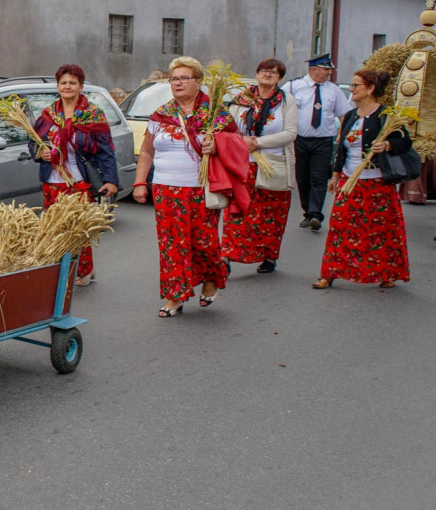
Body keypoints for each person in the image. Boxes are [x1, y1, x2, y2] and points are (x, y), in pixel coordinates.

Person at [132, 56, 235, 317]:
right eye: (174, 79)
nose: (177, 83)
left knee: (204, 242)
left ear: (198, 82)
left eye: (184, 78)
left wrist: (217, 145)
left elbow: (237, 144)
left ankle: (211, 279)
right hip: (165, 190)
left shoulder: (215, 113)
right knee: (172, 244)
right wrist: (140, 182)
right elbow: (146, 151)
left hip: (201, 189)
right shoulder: (161, 114)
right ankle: (175, 295)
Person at [313, 69, 411, 289]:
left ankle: (387, 272)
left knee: (381, 231)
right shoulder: (350, 115)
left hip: (377, 183)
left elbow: (405, 142)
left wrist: (387, 145)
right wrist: (335, 176)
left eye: (355, 85)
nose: (351, 89)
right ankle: (330, 272)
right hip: (350, 181)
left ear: (370, 89)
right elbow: (341, 150)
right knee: (340, 227)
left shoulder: (386, 115)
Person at [30, 63, 118, 285]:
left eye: (72, 83)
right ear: (57, 86)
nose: (67, 87)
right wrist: (41, 152)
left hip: (78, 182)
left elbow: (106, 149)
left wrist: (111, 180)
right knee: (54, 229)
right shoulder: (48, 114)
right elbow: (33, 142)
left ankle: (84, 270)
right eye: (63, 83)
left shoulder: (93, 115)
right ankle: (60, 271)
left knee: (78, 228)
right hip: (52, 181)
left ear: (81, 86)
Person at [220, 59, 296, 274]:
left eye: (273, 72)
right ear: (257, 73)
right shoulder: (241, 99)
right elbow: (227, 128)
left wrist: (258, 142)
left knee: (271, 214)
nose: (267, 74)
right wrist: (242, 140)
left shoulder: (286, 101)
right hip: (243, 164)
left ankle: (269, 256)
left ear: (280, 78)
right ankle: (226, 256)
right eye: (263, 70)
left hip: (273, 165)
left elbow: (290, 133)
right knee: (237, 210)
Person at [281, 53, 352, 231]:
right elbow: (279, 107)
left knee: (318, 178)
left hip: (323, 141)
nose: (329, 72)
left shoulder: (334, 90)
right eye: (326, 69)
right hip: (299, 140)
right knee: (302, 178)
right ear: (313, 69)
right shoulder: (293, 86)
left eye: (330, 69)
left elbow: (344, 114)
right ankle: (307, 212)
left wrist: (342, 134)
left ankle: (315, 214)